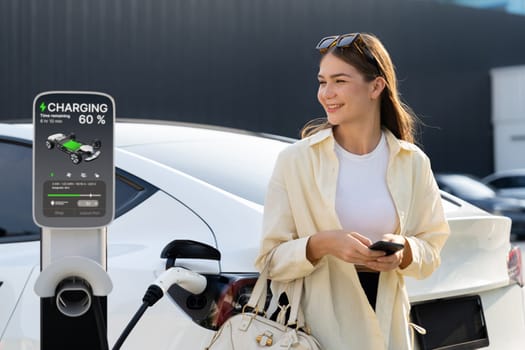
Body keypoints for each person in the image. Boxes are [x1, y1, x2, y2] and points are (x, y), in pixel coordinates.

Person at [255, 32, 450, 350]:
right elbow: (270, 260)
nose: (326, 93)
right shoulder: (295, 161)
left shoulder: (412, 161)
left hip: (389, 330)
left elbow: (432, 252)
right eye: (322, 81)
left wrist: (404, 250)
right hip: (318, 333)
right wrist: (321, 244)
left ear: (376, 86)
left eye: (339, 81)